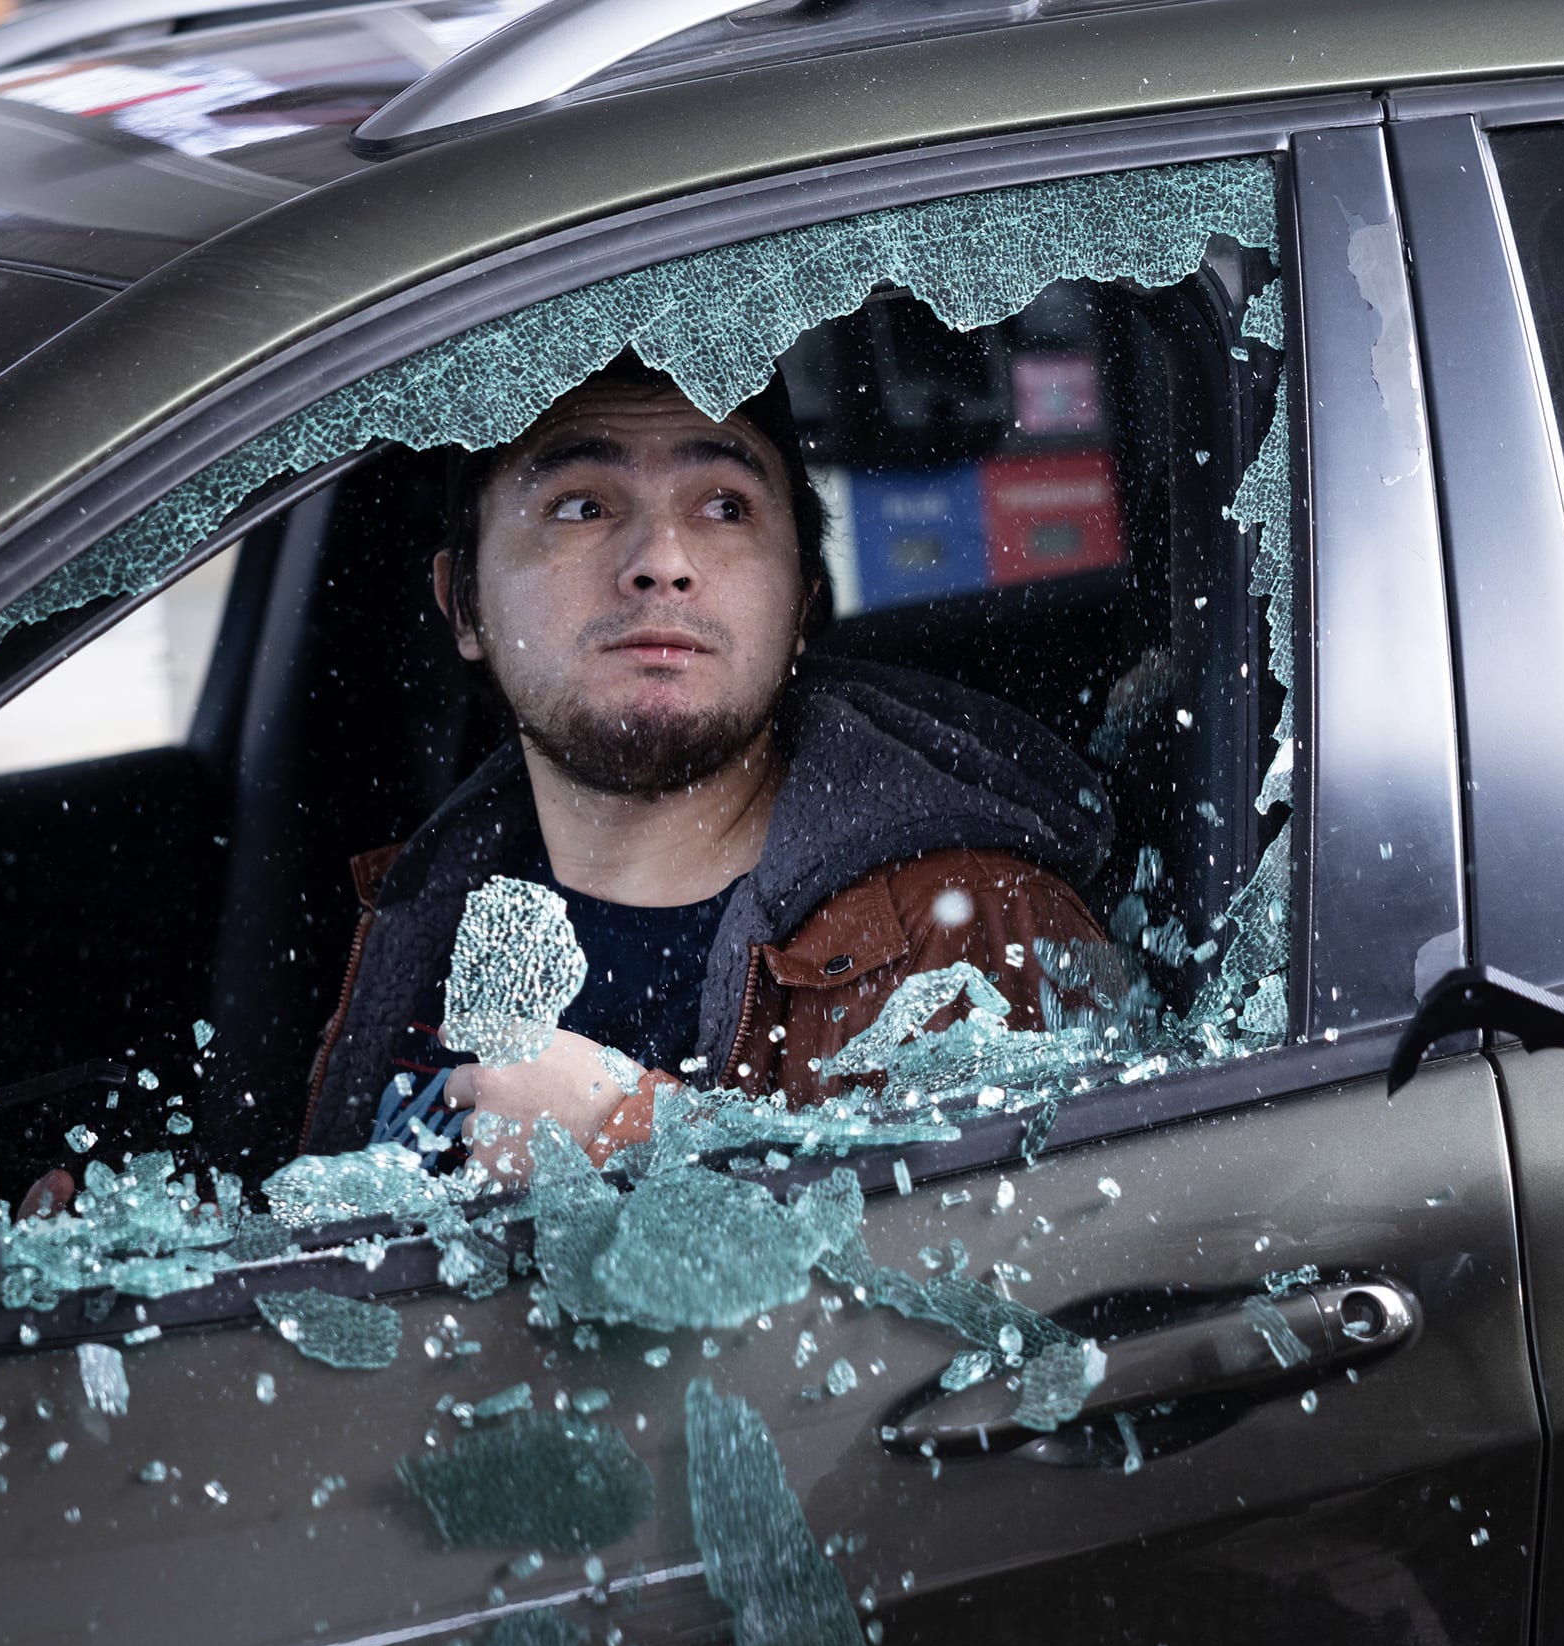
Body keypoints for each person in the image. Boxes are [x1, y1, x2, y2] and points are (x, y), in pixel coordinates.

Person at [299, 352, 1110, 1171]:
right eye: (582, 506)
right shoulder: (410, 912)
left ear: (802, 603)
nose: (662, 559)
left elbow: (1040, 1279)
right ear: (464, 603)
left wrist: (622, 1130)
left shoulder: (976, 934)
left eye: (725, 506)